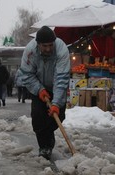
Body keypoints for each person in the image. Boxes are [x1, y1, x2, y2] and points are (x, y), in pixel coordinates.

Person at [19, 26, 70, 160]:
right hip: (38, 86)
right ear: (38, 44)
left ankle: (48, 137)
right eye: (44, 46)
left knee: (56, 118)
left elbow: (61, 77)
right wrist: (39, 89)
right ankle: (44, 147)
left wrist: (56, 103)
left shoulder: (61, 50)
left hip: (56, 87)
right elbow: (27, 74)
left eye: (50, 45)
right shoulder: (30, 51)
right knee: (38, 117)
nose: (48, 49)